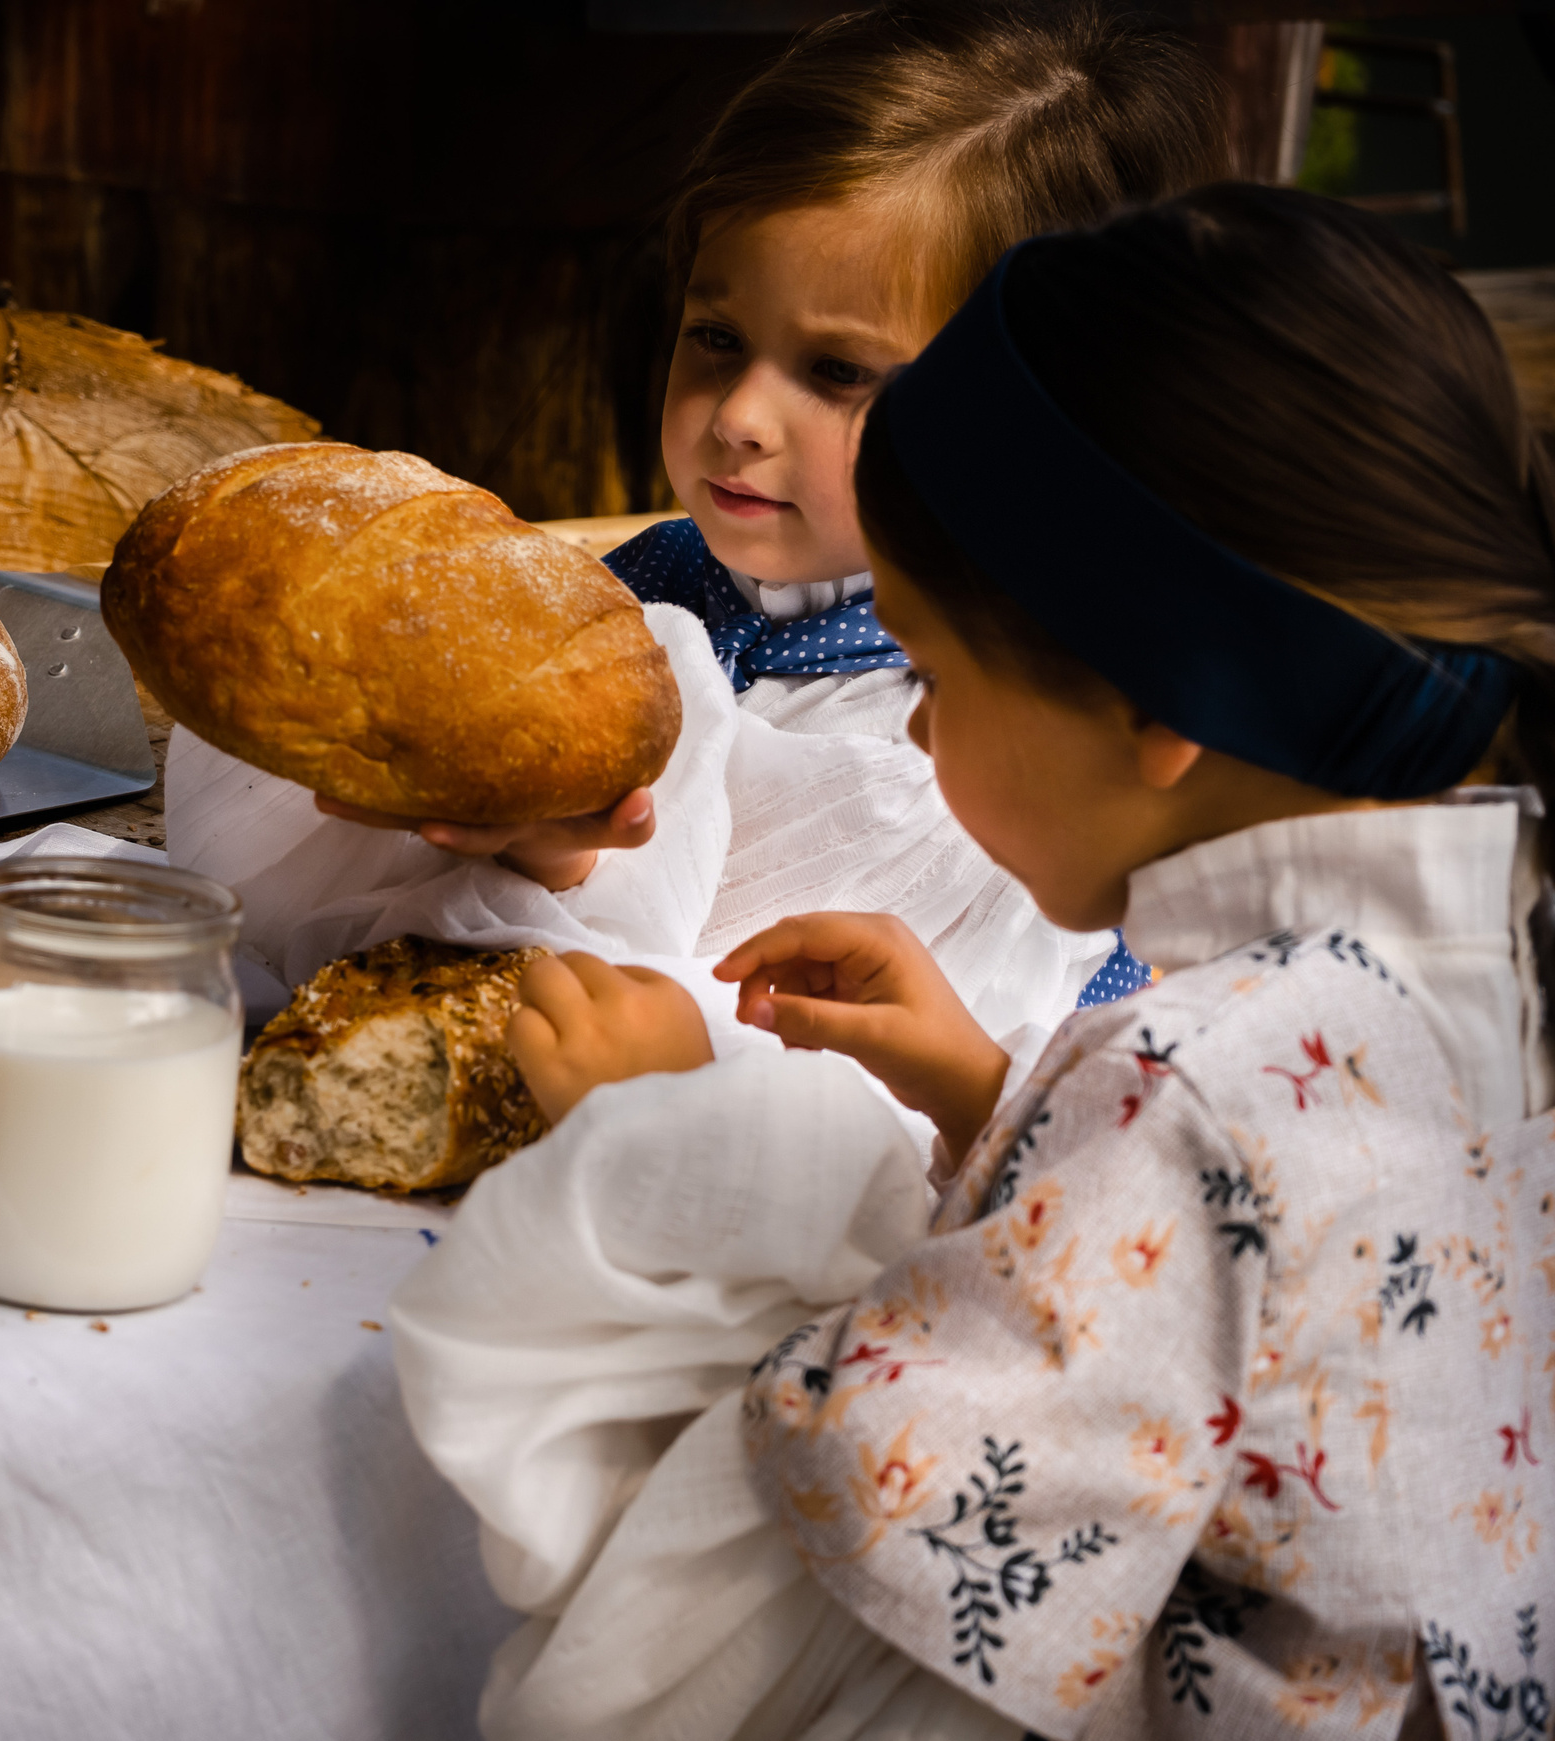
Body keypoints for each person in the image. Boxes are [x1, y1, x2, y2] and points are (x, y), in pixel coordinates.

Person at [393, 184, 1555, 1741]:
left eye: (935, 674)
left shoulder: (1191, 1094)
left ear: (1158, 703)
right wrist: (998, 1102)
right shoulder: (1489, 960)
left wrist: (681, 1153)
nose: (922, 730)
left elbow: (835, 1558)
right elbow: (1262, 1307)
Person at [169, 1, 1222, 1054]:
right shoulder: (637, 593)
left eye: (838, 371)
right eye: (717, 337)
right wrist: (545, 848)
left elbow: (792, 1058)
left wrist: (572, 876)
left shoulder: (968, 756)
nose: (739, 417)